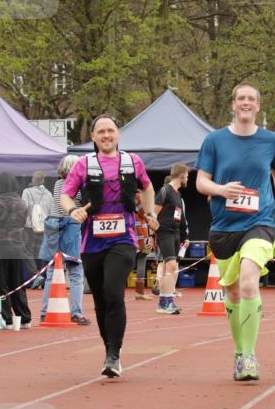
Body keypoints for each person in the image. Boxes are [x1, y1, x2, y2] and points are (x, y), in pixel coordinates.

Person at [196, 82, 275, 381]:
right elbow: (201, 182)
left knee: (250, 282)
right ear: (233, 105)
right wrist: (221, 190)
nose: (246, 103)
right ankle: (239, 351)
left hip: (260, 222)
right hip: (224, 226)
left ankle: (249, 357)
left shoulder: (272, 141)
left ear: (258, 106)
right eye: (241, 98)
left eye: (251, 98)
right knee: (233, 291)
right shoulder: (214, 141)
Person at [60, 114, 157, 378]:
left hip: (123, 239)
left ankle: (114, 354)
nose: (106, 135)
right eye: (100, 132)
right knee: (101, 301)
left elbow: (148, 188)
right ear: (93, 137)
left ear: (118, 134)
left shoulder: (132, 161)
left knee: (114, 293)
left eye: (110, 131)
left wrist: (151, 214)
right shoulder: (83, 164)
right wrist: (73, 211)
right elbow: (66, 195)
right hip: (91, 243)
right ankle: (109, 349)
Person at [38, 154, 91, 325]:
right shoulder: (78, 186)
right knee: (75, 271)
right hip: (70, 224)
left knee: (52, 271)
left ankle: (45, 311)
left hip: (53, 223)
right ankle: (76, 312)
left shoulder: (57, 183)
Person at [0, 173, 32, 328]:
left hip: (0, 245)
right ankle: (25, 317)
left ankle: (6, 317)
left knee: (1, 283)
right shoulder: (22, 203)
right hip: (18, 244)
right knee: (18, 283)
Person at [154, 163, 189, 315]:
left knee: (171, 267)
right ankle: (166, 302)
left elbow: (180, 216)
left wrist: (184, 235)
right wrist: (151, 236)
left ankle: (164, 302)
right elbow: (153, 215)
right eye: (187, 176)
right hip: (164, 232)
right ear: (181, 176)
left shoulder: (178, 194)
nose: (188, 178)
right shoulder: (164, 191)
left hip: (175, 233)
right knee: (171, 266)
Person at [21, 171, 53, 287]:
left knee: (26, 251)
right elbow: (51, 211)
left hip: (29, 227)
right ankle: (43, 279)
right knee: (41, 253)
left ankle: (36, 275)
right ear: (43, 181)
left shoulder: (27, 192)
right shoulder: (49, 194)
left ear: (33, 180)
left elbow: (23, 208)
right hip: (44, 228)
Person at [133, 191, 157, 301]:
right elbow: (143, 212)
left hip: (136, 232)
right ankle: (139, 292)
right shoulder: (138, 195)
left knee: (140, 260)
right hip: (139, 233)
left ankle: (140, 292)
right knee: (141, 261)